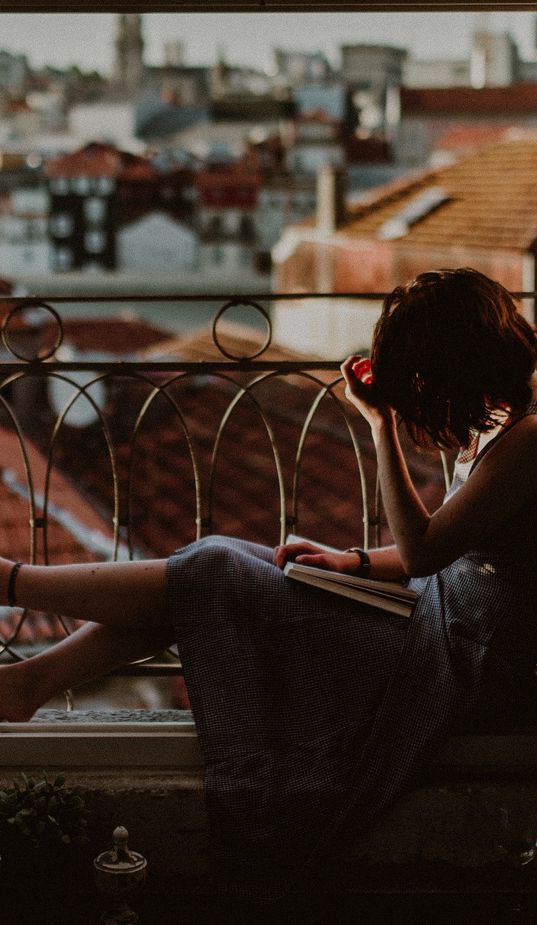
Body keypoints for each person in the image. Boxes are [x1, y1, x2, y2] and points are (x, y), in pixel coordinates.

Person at [0, 268, 536, 907]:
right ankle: (25, 682)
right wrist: (353, 562)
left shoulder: (528, 443)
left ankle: (15, 586)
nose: (417, 403)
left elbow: (426, 549)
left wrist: (378, 425)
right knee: (223, 568)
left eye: (421, 385)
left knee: (218, 571)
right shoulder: (500, 426)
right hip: (432, 622)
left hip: (461, 669)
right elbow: (440, 551)